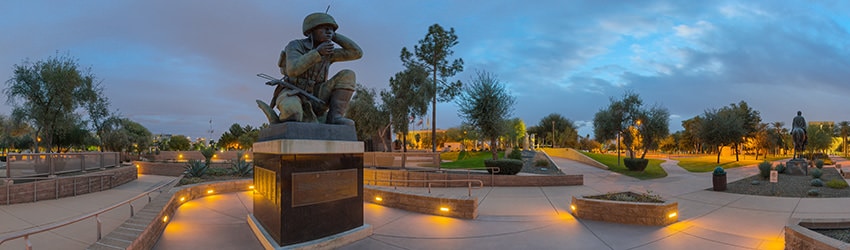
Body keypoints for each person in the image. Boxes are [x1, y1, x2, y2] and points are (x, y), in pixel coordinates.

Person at [258, 12, 363, 125]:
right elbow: (293, 70)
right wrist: (317, 53)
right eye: (324, 28)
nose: (329, 31)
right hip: (293, 92)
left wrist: (334, 36)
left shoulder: (328, 52)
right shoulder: (295, 45)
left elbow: (356, 53)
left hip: (317, 95)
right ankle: (278, 119)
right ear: (311, 30)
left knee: (348, 74)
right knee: (292, 114)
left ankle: (335, 117)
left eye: (332, 29)